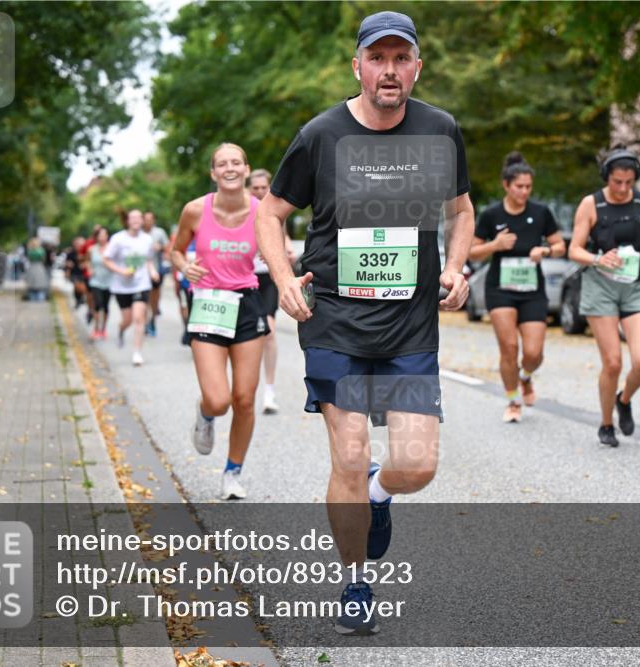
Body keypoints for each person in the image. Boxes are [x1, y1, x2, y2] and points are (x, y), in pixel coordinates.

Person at [256, 11, 473, 636]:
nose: (389, 70)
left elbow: (461, 212)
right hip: (336, 319)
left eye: (401, 58)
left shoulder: (439, 130)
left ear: (417, 67)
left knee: (417, 467)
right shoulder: (321, 134)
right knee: (349, 455)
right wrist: (282, 277)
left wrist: (455, 268)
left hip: (409, 325)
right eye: (377, 58)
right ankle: (356, 583)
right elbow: (270, 214)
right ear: (357, 66)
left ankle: (380, 491)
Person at [171, 143, 270, 501]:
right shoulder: (195, 210)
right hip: (209, 304)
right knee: (218, 400)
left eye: (236, 162)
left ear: (246, 169)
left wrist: (278, 257)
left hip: (247, 303)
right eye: (222, 164)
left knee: (244, 398)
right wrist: (185, 267)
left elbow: (276, 249)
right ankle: (205, 413)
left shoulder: (262, 210)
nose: (229, 168)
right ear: (213, 173)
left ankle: (232, 472)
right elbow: (175, 250)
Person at [568, 145, 640, 447]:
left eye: (629, 182)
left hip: (637, 284)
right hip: (601, 286)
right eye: (617, 182)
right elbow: (574, 250)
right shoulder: (591, 204)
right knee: (612, 362)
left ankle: (623, 400)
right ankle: (606, 423)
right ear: (606, 177)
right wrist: (598, 259)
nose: (623, 189)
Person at [468, 152, 566, 423]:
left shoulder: (540, 212)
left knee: (533, 353)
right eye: (519, 186)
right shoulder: (491, 215)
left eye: (528, 187)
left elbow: (560, 246)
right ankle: (513, 401)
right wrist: (495, 245)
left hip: (532, 290)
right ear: (506, 185)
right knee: (509, 348)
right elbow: (471, 251)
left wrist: (545, 251)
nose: (524, 191)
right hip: (500, 289)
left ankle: (525, 376)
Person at [249, 168, 296, 414]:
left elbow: (282, 233)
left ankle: (269, 391)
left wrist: (287, 248)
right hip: (244, 277)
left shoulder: (275, 207)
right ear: (248, 189)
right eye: (255, 188)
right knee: (246, 336)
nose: (259, 192)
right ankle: (244, 389)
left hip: (267, 278)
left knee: (269, 331)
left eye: (263, 187)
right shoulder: (242, 210)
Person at [104, 209, 157, 366]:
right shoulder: (118, 239)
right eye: (132, 218)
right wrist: (122, 271)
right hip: (121, 286)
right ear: (127, 221)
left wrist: (153, 271)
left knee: (139, 318)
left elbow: (148, 260)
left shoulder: (147, 239)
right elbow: (106, 259)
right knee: (127, 320)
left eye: (138, 218)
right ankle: (121, 329)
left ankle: (137, 352)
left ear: (142, 221)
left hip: (141, 284)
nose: (135, 220)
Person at [144, 211, 171, 337]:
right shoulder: (139, 233)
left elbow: (168, 248)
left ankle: (152, 320)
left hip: (157, 270)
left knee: (154, 297)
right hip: (142, 272)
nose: (148, 222)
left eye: (150, 219)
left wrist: (160, 247)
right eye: (146, 219)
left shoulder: (159, 232)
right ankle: (145, 322)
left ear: (153, 220)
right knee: (144, 298)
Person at [88, 226, 112, 340]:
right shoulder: (91, 249)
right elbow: (87, 261)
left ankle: (103, 329)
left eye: (104, 235)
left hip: (109, 281)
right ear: (96, 237)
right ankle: (96, 328)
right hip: (95, 280)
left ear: (107, 236)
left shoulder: (112, 248)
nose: (102, 237)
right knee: (98, 304)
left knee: (106, 306)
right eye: (100, 235)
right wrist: (89, 269)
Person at [24, 237, 50, 302]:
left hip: (32, 267)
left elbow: (29, 259)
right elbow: (43, 259)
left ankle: (32, 299)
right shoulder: (41, 250)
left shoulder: (30, 251)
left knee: (32, 284)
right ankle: (40, 299)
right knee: (40, 284)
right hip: (39, 267)